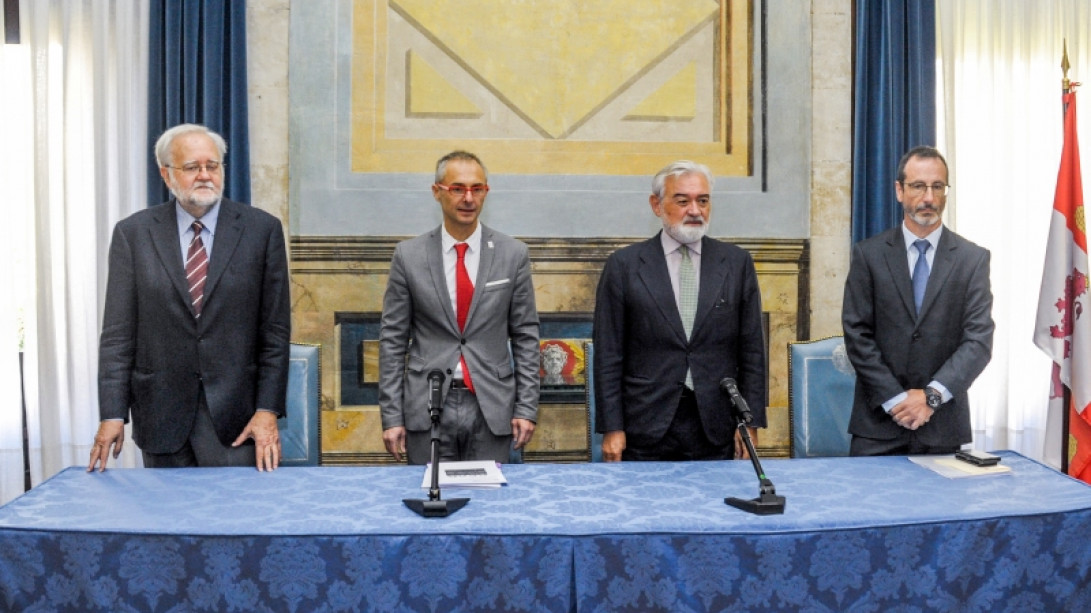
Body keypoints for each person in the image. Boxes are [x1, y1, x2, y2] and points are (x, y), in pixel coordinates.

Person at [88, 124, 291, 472]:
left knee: (237, 509)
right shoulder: (133, 234)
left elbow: (274, 332)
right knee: (165, 509)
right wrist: (112, 413)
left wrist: (267, 410)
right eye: (192, 167)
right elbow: (118, 334)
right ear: (166, 173)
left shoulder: (261, 231)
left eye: (212, 166)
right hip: (161, 417)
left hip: (238, 421)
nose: (205, 175)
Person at [592, 160, 766, 462]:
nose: (695, 210)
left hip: (716, 425)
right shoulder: (624, 266)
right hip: (645, 424)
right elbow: (608, 354)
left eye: (703, 201)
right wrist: (612, 426)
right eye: (683, 201)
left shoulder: (736, 263)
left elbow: (752, 351)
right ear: (656, 205)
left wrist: (750, 421)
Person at [379, 151, 540, 465]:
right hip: (427, 405)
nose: (468, 198)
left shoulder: (513, 254)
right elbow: (393, 341)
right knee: (428, 490)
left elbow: (526, 336)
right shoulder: (408, 256)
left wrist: (526, 408)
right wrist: (392, 416)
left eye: (477, 189)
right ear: (437, 192)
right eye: (457, 189)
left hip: (491, 406)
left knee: (489, 495)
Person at [842, 146, 994, 456]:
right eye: (918, 186)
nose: (928, 197)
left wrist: (931, 398)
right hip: (877, 426)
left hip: (942, 427)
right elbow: (857, 335)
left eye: (937, 187)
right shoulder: (868, 255)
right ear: (899, 190)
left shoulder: (972, 259)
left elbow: (978, 341)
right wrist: (897, 401)